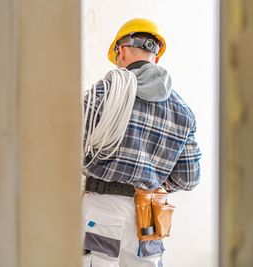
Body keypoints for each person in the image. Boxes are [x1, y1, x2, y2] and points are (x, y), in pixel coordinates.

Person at [82, 18, 201, 267]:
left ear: (121, 51)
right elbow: (188, 178)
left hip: (102, 211)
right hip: (147, 218)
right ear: (155, 57)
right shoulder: (183, 112)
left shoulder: (103, 93)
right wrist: (150, 177)